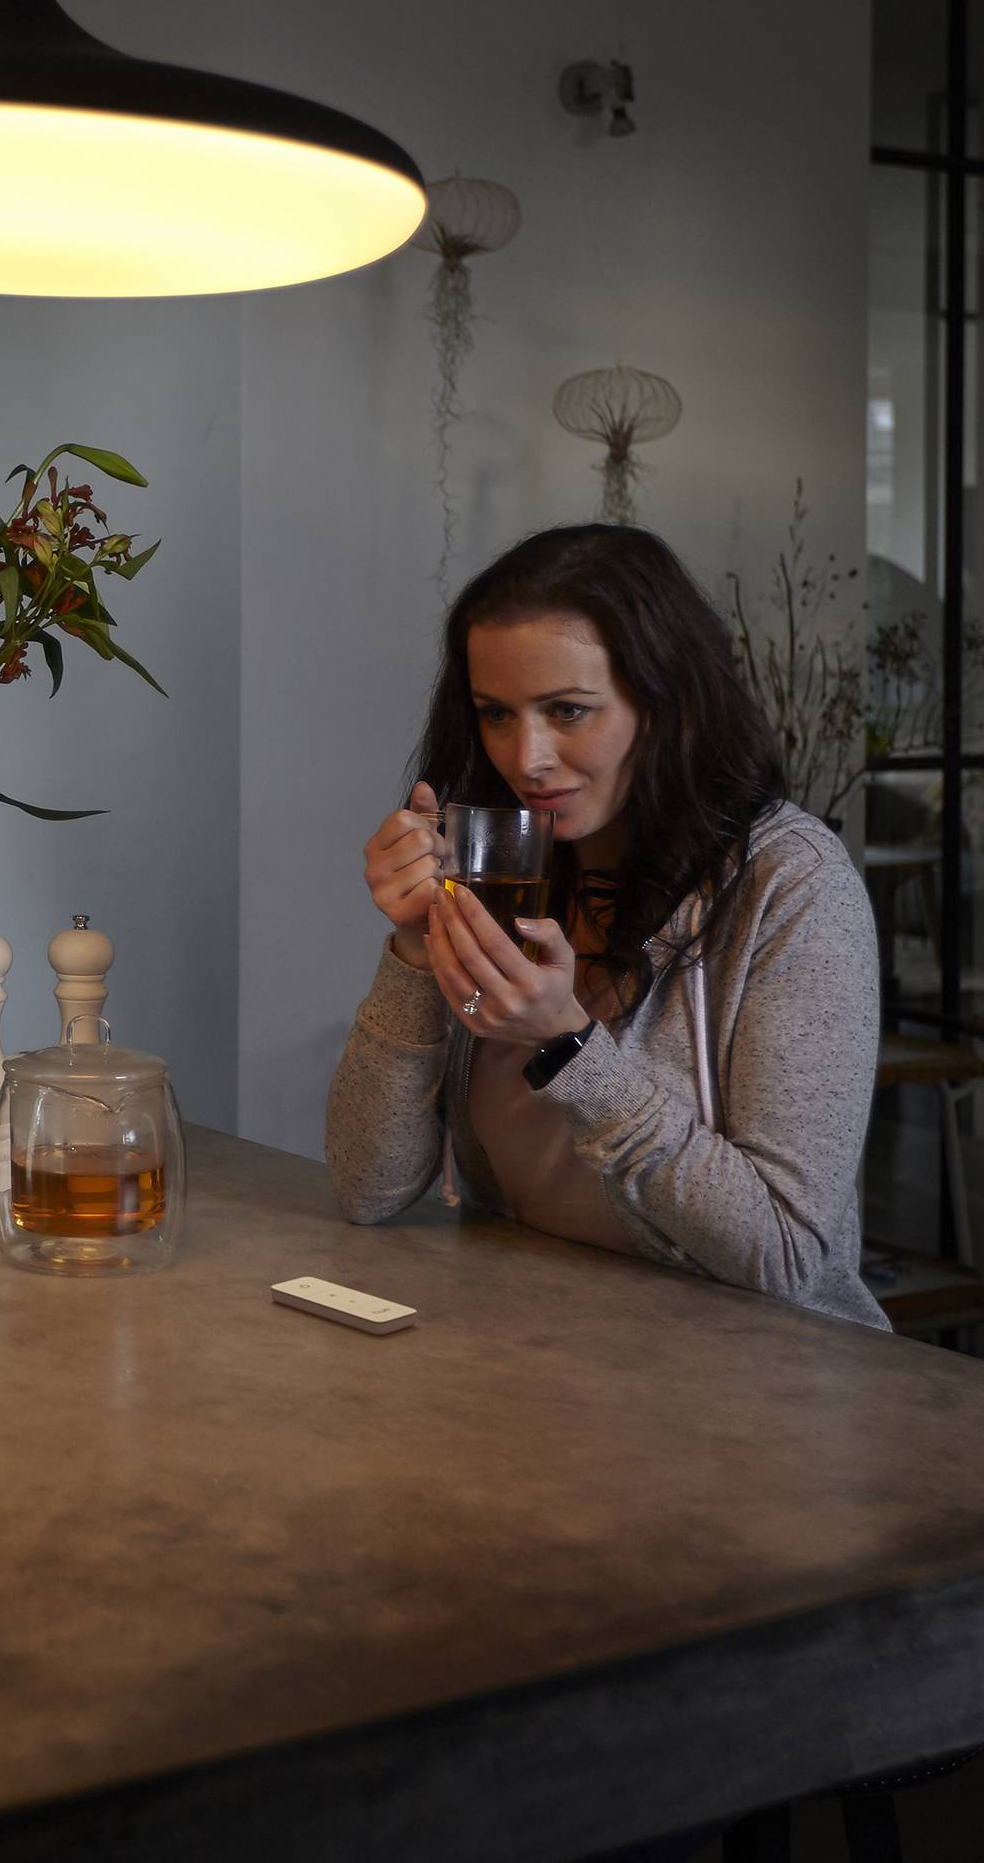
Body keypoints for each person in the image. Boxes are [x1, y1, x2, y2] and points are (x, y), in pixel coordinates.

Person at [324, 524, 888, 1329]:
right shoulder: (513, 868)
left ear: (663, 702)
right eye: (496, 713)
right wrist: (415, 947)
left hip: (751, 1394)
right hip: (545, 1358)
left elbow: (784, 1256)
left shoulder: (788, 882)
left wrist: (571, 1049)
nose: (528, 758)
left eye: (568, 711)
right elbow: (366, 1188)